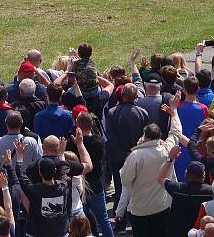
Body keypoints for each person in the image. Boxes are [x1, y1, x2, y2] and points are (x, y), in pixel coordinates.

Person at [118, 94, 181, 237]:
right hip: (162, 206)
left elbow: (125, 180)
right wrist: (174, 112)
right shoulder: (167, 148)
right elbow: (176, 132)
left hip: (140, 210)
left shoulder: (135, 156)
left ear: (146, 136)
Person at [105, 82, 149, 230]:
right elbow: (145, 137)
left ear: (122, 95)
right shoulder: (143, 113)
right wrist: (133, 152)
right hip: (138, 157)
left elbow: (110, 138)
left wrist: (124, 155)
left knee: (120, 189)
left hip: (118, 159)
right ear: (136, 96)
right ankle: (135, 222)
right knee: (138, 188)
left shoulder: (112, 112)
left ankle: (120, 224)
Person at [70, 111, 113, 237]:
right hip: (96, 186)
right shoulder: (99, 141)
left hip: (79, 188)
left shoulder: (72, 143)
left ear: (77, 124)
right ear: (92, 123)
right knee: (104, 220)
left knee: (80, 222)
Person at [157, 148, 214, 237]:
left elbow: (160, 178)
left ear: (186, 174)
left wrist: (170, 159)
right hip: (200, 233)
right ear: (203, 176)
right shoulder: (211, 191)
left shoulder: (177, 188)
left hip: (177, 232)